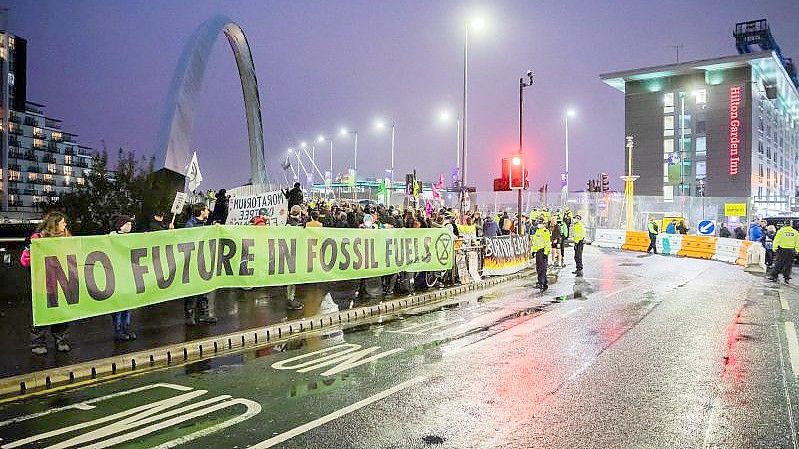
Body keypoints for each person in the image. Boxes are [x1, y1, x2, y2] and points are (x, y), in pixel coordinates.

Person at [22, 212, 72, 354]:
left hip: (61, 283)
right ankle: (38, 343)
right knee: (42, 314)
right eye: (62, 222)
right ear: (54, 224)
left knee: (62, 314)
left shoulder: (67, 238)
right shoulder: (37, 239)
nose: (65, 225)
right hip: (43, 284)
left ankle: (61, 340)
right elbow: (24, 261)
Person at [183, 203, 217, 325]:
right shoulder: (190, 225)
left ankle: (203, 314)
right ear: (202, 211)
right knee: (193, 290)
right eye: (207, 209)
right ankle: (189, 315)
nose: (208, 211)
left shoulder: (204, 224)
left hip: (203, 260)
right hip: (193, 261)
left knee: (204, 288)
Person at [109, 215, 137, 341]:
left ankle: (126, 327)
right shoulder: (111, 237)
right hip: (117, 275)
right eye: (128, 224)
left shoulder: (131, 238)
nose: (130, 226)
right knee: (118, 305)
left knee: (128, 304)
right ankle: (118, 329)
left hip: (128, 275)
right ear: (121, 225)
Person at [532, 221, 551, 290]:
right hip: (538, 251)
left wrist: (546, 253)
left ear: (544, 224)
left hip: (543, 251)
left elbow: (547, 243)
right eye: (539, 223)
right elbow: (535, 242)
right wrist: (534, 250)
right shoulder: (537, 231)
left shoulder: (545, 231)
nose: (539, 224)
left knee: (542, 268)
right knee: (538, 267)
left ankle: (541, 282)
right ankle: (544, 282)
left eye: (541, 223)